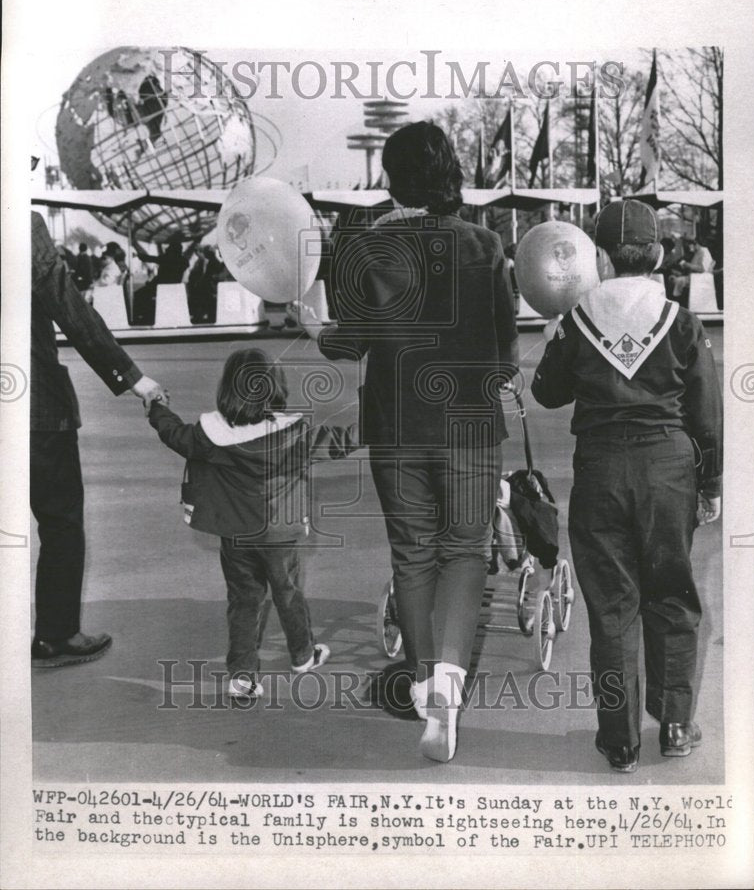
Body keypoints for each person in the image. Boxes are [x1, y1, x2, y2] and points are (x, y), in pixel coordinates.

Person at [317, 121, 519, 762]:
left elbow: (350, 342)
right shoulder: (485, 245)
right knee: (466, 552)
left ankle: (426, 678)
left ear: (391, 177)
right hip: (470, 426)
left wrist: (313, 325)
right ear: (449, 173)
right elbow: (508, 355)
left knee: (413, 554)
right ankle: (449, 690)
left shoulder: (366, 248)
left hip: (398, 427)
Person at [532, 199, 722, 773]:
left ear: (600, 259)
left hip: (600, 473)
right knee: (672, 596)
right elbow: (706, 413)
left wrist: (554, 337)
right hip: (668, 472)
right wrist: (710, 482)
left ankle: (619, 741)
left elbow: (546, 394)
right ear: (660, 254)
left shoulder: (576, 321)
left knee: (612, 609)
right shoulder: (682, 322)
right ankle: (676, 724)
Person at [146, 347, 361, 700]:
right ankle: (303, 656)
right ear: (274, 387)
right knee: (288, 593)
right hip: (280, 535)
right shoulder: (295, 434)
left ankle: (242, 676)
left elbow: (174, 434)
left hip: (235, 536)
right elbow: (342, 442)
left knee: (244, 601)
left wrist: (157, 407)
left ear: (227, 389)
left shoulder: (209, 435)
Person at [31, 209, 166, 667]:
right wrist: (133, 378)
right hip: (34, 410)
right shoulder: (21, 224)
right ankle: (56, 634)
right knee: (60, 520)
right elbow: (70, 309)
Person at [670, 236, 715, 303]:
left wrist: (686, 265)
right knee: (673, 278)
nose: (691, 247)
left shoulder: (703, 252)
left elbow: (702, 269)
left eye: (693, 244)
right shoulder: (698, 252)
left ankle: (677, 300)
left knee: (678, 281)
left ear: (697, 244)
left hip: (699, 278)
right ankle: (677, 300)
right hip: (695, 276)